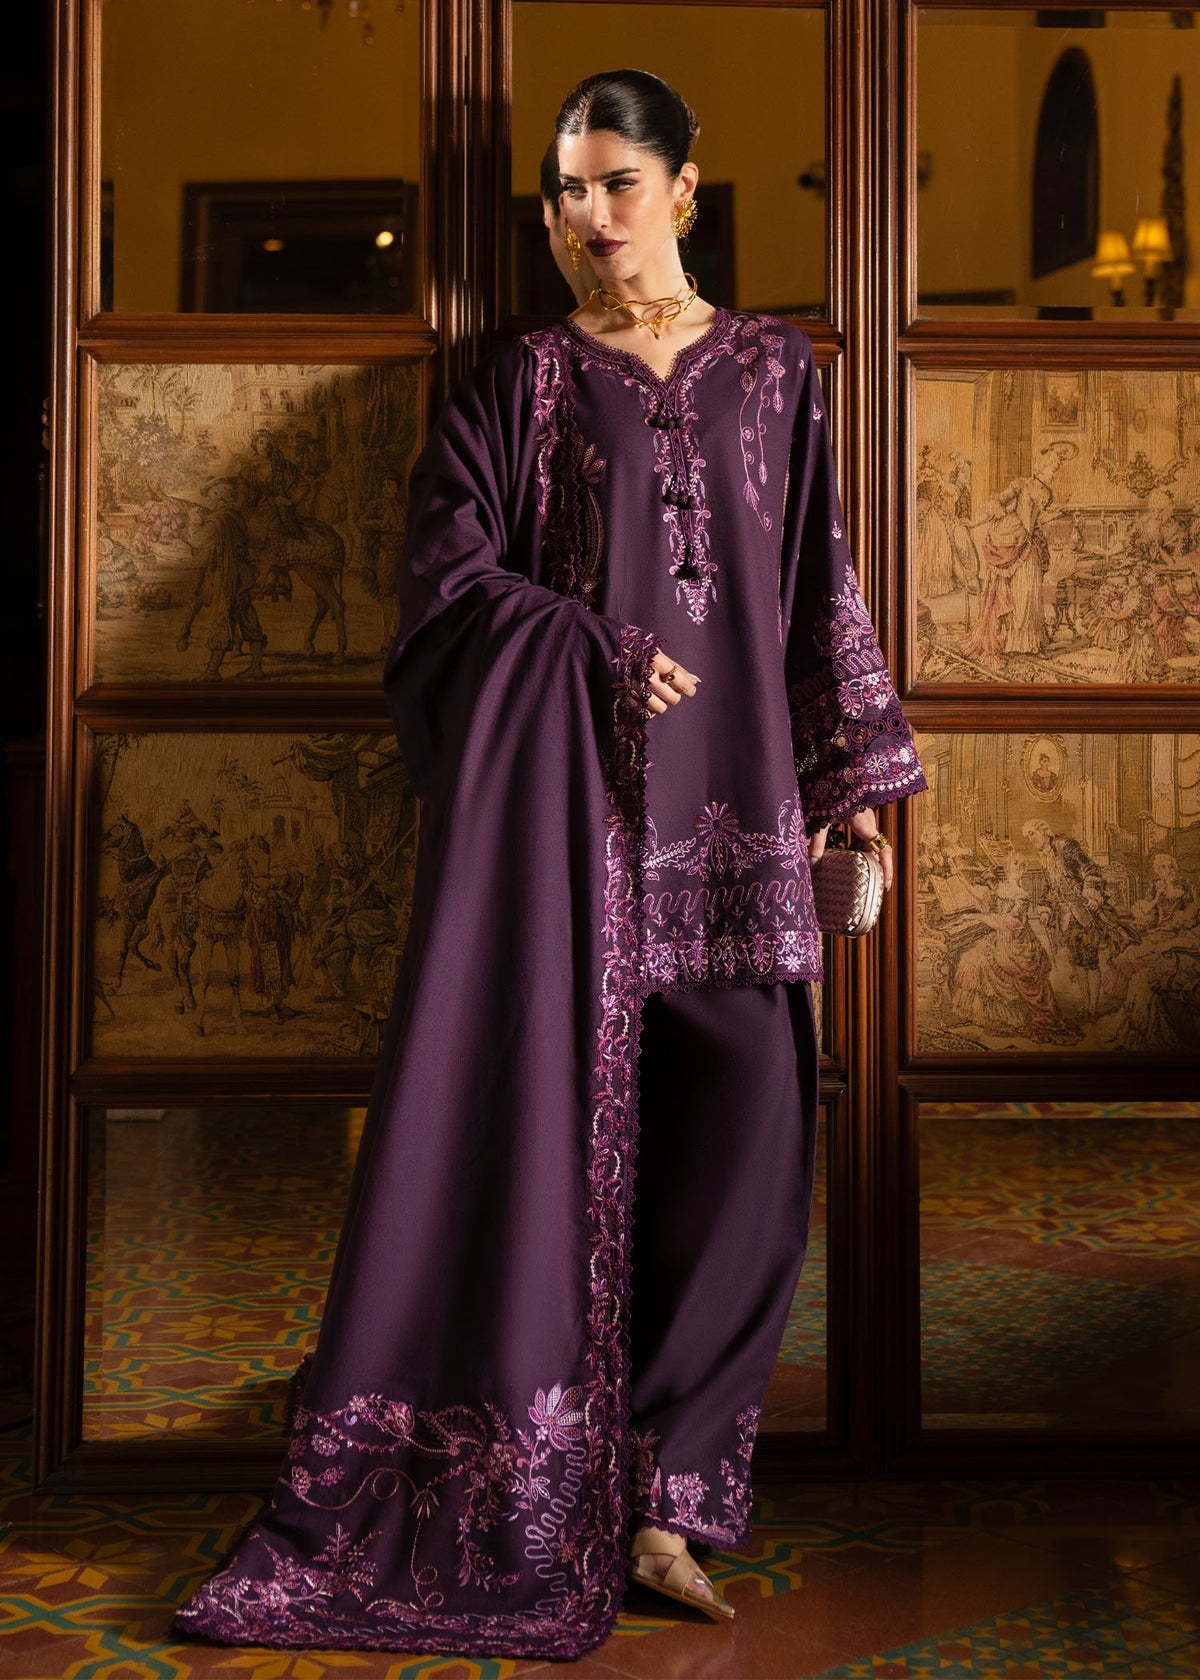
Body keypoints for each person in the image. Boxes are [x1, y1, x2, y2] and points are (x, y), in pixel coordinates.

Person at [173, 68, 925, 1660]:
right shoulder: (515, 382)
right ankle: (550, 1482)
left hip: (742, 827)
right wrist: (587, 648)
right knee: (556, 1154)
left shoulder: (774, 370)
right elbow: (443, 592)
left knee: (751, 1160)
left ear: (686, 188)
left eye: (615, 183)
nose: (586, 216)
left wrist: (852, 785)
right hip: (573, 839)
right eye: (564, 190)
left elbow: (816, 583)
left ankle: (671, 1502)